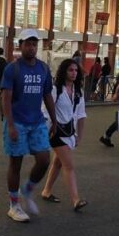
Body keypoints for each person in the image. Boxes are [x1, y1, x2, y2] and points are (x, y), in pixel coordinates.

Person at [0, 29, 56, 223]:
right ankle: (14, 205)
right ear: (20, 45)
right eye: (28, 44)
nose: (32, 48)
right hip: (17, 122)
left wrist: (55, 120)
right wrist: (11, 125)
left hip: (37, 121)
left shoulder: (43, 68)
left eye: (34, 44)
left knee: (44, 159)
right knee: (16, 163)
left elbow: (47, 94)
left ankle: (28, 189)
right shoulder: (13, 69)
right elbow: (5, 99)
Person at [39, 58, 88, 211]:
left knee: (58, 162)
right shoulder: (55, 90)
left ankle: (46, 191)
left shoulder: (78, 92)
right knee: (69, 165)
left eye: (75, 70)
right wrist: (48, 129)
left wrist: (79, 136)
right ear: (64, 71)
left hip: (69, 132)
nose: (74, 73)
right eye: (70, 70)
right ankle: (76, 200)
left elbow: (81, 115)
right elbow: (45, 110)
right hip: (56, 131)